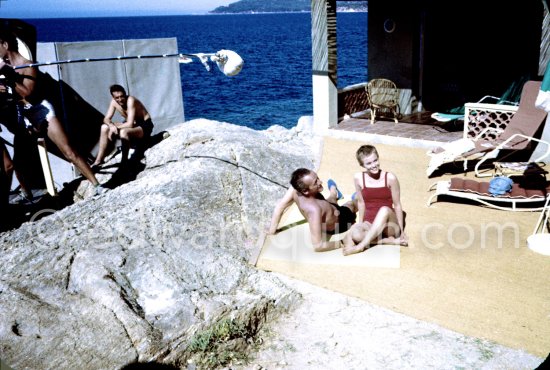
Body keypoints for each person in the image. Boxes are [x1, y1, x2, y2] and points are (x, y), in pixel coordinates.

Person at [0, 29, 107, 198]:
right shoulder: (6, 68)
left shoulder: (28, 65)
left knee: (68, 150)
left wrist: (9, 79)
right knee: (18, 162)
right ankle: (26, 195)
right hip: (23, 115)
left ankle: (97, 185)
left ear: (5, 45)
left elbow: (28, 93)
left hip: (40, 111)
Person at [268, 168, 357, 252]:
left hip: (329, 209)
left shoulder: (295, 189)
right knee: (351, 204)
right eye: (315, 182)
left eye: (317, 178)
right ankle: (353, 197)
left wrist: (272, 231)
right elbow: (318, 246)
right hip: (340, 223)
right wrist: (342, 243)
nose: (320, 182)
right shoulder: (314, 210)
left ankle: (334, 192)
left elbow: (280, 207)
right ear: (305, 191)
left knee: (331, 201)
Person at [342, 145, 407, 256]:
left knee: (384, 210)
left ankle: (361, 247)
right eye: (369, 163)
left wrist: (401, 230)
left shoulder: (390, 177)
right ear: (362, 165)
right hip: (370, 223)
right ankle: (388, 241)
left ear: (378, 158)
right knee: (356, 234)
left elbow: (397, 205)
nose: (374, 165)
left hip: (389, 225)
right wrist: (360, 224)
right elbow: (361, 203)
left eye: (375, 160)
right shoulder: (358, 178)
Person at [92, 84, 154, 168]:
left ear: (125, 94)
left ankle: (124, 162)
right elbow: (106, 119)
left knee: (123, 132)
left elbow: (130, 124)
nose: (120, 99)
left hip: (144, 125)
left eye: (122, 96)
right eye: (117, 97)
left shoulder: (131, 100)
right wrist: (111, 126)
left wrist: (115, 128)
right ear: (113, 97)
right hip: (132, 126)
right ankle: (98, 160)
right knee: (104, 127)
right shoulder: (114, 102)